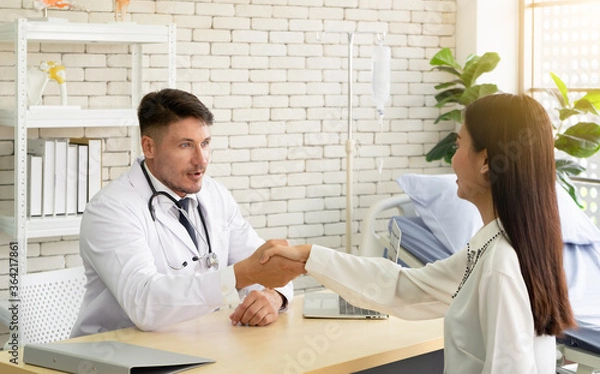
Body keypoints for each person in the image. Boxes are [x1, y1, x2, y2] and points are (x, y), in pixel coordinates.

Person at [260, 93, 576, 373]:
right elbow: (405, 287)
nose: (452, 159)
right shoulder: (494, 248)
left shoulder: (499, 265)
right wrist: (310, 258)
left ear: (485, 161)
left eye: (459, 144)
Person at [71, 88, 301, 337]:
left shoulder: (215, 195)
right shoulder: (111, 210)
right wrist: (239, 276)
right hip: (116, 356)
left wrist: (273, 296)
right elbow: (145, 304)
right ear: (149, 147)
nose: (201, 160)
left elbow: (263, 265)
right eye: (185, 145)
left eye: (205, 143)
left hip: (196, 344)